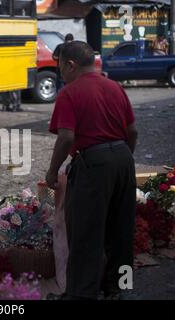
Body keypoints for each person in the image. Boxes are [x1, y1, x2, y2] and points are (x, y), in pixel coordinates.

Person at [45, 41, 138, 300]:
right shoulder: (114, 87)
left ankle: (81, 294)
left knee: (86, 234)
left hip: (92, 164)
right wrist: (121, 159)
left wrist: (52, 172)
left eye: (60, 65)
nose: (60, 71)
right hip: (123, 160)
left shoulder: (69, 93)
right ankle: (121, 288)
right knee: (122, 233)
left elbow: (65, 137)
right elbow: (132, 131)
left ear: (70, 65)